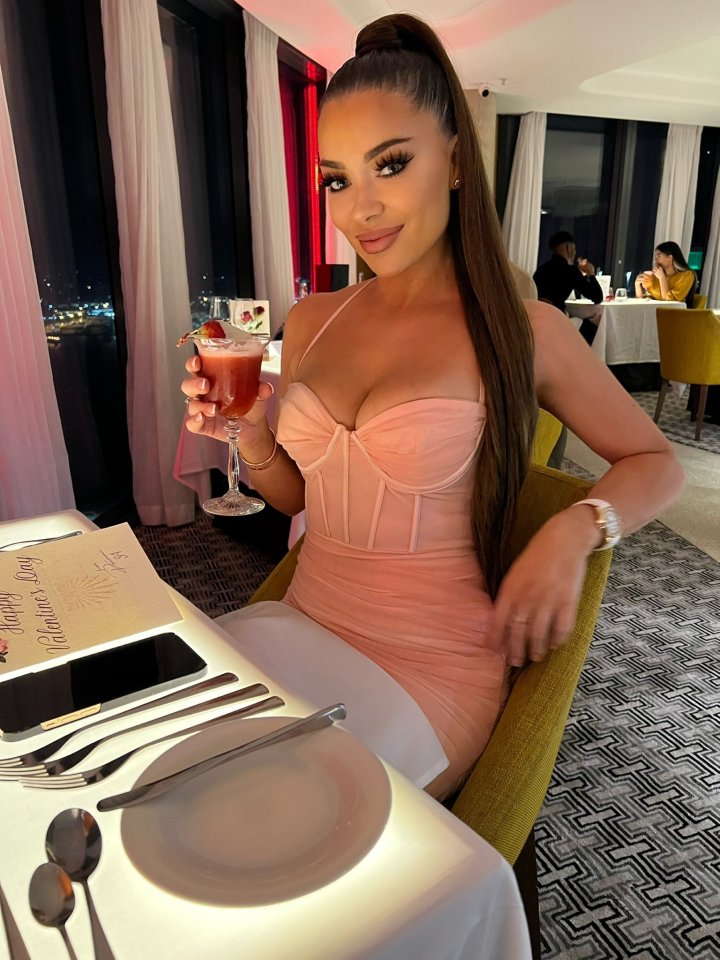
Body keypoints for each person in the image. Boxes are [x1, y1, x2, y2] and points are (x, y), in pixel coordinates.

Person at [182, 14, 684, 799]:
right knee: (166, 782)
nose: (361, 209)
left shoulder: (522, 330)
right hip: (300, 622)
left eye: (391, 164)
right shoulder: (316, 316)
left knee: (269, 840)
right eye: (338, 178)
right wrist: (249, 433)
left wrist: (574, 530)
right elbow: (303, 500)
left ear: (454, 158)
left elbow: (657, 462)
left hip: (428, 669)